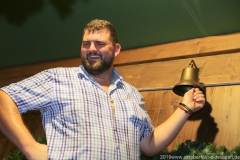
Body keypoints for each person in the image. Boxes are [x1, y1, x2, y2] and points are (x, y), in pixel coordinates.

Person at [0, 19, 205, 160]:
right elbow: (4, 97)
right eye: (86, 44)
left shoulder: (132, 94)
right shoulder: (57, 78)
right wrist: (29, 147)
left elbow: (149, 145)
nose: (91, 49)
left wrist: (185, 108)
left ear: (116, 49)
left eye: (99, 44)